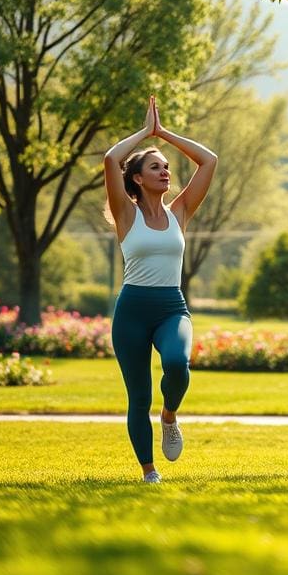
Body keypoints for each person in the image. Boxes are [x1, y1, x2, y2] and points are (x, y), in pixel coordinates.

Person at [103, 96, 217, 483]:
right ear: (137, 177)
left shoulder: (180, 212)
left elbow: (209, 161)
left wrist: (164, 133)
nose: (166, 171)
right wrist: (143, 133)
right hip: (132, 311)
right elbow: (109, 160)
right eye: (156, 166)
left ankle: (170, 416)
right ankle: (149, 472)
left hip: (172, 307)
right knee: (138, 398)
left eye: (167, 167)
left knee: (177, 365)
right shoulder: (125, 213)